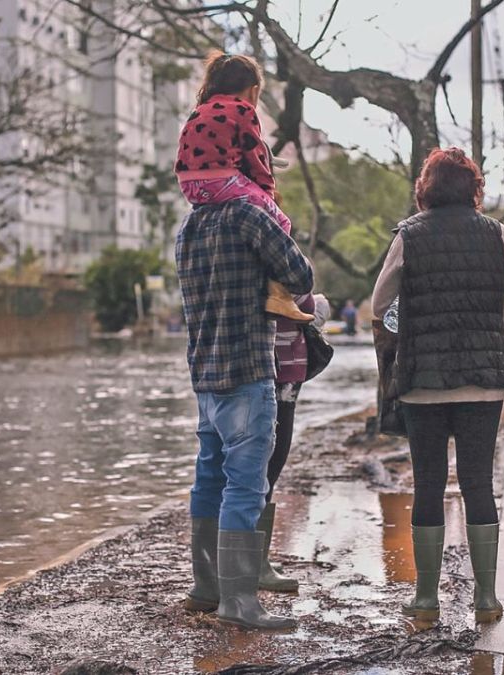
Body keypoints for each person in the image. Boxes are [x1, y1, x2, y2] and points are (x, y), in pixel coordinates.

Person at [371, 147, 504, 624]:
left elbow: (378, 304)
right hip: (483, 380)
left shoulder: (408, 236)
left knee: (429, 484)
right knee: (479, 484)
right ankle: (487, 598)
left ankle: (427, 598)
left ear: (425, 188)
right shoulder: (500, 235)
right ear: (474, 187)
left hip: (424, 383)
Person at [176, 188, 313, 630]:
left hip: (205, 374)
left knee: (209, 477)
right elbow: (300, 275)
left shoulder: (189, 225)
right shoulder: (250, 217)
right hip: (248, 371)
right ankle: (239, 602)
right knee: (246, 485)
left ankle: (207, 587)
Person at [175, 51, 312, 324]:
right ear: (253, 90)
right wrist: (267, 193)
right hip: (222, 180)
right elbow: (255, 156)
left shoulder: (197, 113)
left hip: (191, 187)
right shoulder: (242, 110)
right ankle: (278, 295)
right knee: (279, 219)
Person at [260, 291, 331, 593]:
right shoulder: (279, 250)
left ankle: (249, 559)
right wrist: (320, 304)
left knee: (262, 465)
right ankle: (254, 562)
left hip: (276, 367)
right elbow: (304, 303)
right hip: (280, 368)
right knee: (269, 463)